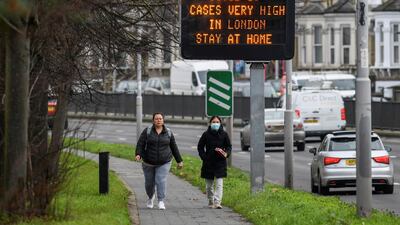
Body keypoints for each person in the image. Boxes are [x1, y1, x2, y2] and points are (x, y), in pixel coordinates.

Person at [135, 112, 183, 210]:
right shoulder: (147, 131)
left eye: (160, 119)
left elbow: (174, 147)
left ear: (163, 120)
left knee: (160, 180)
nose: (158, 120)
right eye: (156, 119)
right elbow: (140, 143)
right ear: (153, 120)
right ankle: (150, 197)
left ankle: (161, 201)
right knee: (149, 183)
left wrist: (179, 161)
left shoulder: (168, 132)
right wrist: (138, 154)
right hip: (148, 161)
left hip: (164, 161)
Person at [197, 116, 231, 209]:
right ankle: (210, 200)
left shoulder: (224, 134)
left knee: (219, 184)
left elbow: (229, 146)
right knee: (209, 186)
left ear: (220, 123)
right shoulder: (206, 134)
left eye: (217, 122)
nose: (215, 123)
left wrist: (226, 153)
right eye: (214, 122)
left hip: (220, 162)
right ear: (210, 123)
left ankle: (217, 202)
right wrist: (204, 157)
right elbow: (200, 147)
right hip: (208, 163)